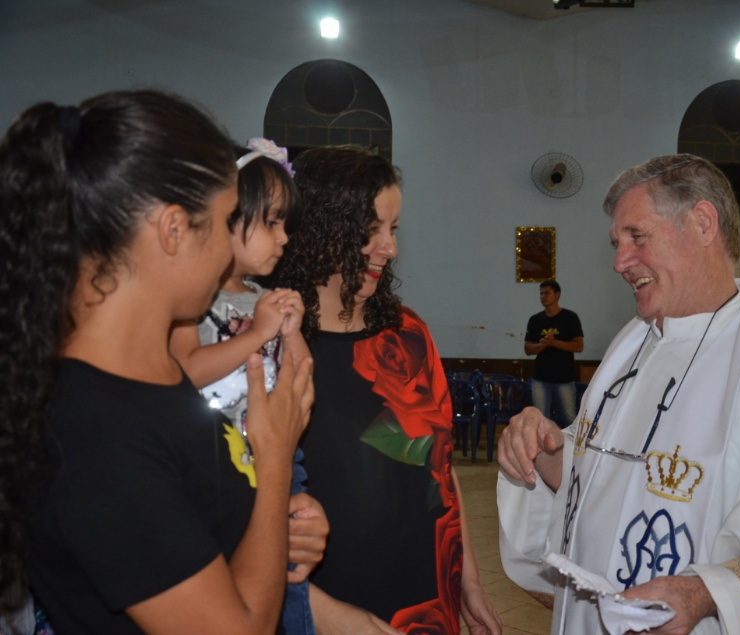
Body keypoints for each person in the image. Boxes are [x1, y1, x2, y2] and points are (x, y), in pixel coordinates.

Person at [497, 154, 740, 634]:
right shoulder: (630, 345)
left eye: (637, 237)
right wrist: (544, 451)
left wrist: (705, 594)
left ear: (702, 223)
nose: (619, 262)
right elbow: (598, 483)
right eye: (616, 243)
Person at [1, 90, 321, 634]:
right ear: (173, 230)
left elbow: (202, 531)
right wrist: (273, 461)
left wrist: (281, 521)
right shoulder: (94, 431)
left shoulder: (156, 377)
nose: (228, 250)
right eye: (224, 223)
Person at [270, 145, 503, 635]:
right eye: (370, 231)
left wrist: (469, 580)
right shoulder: (270, 345)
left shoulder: (408, 332)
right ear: (319, 229)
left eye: (393, 230)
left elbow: (439, 466)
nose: (389, 247)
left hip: (426, 585)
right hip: (331, 599)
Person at [168, 138, 315, 635]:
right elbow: (185, 369)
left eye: (285, 226)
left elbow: (301, 378)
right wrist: (257, 334)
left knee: (287, 575)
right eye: (271, 223)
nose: (284, 239)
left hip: (275, 459)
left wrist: (291, 334)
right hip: (212, 458)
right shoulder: (191, 298)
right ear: (226, 217)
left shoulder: (266, 299)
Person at [524, 280, 584, 429]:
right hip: (540, 379)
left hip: (564, 379)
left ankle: (570, 451)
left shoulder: (570, 317)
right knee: (541, 420)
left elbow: (579, 346)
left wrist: (554, 343)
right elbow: (528, 349)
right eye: (541, 294)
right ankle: (543, 451)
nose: (543, 297)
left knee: (569, 418)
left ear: (557, 295)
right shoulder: (535, 320)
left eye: (547, 293)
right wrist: (543, 344)